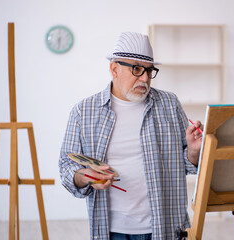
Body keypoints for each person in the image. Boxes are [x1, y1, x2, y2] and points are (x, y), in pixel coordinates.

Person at [59, 32, 203, 240]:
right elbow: (66, 166)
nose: (144, 78)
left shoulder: (169, 104)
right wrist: (87, 176)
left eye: (149, 70)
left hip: (166, 227)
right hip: (111, 230)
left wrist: (193, 151)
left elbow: (185, 164)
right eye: (136, 69)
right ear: (114, 68)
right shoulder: (84, 111)